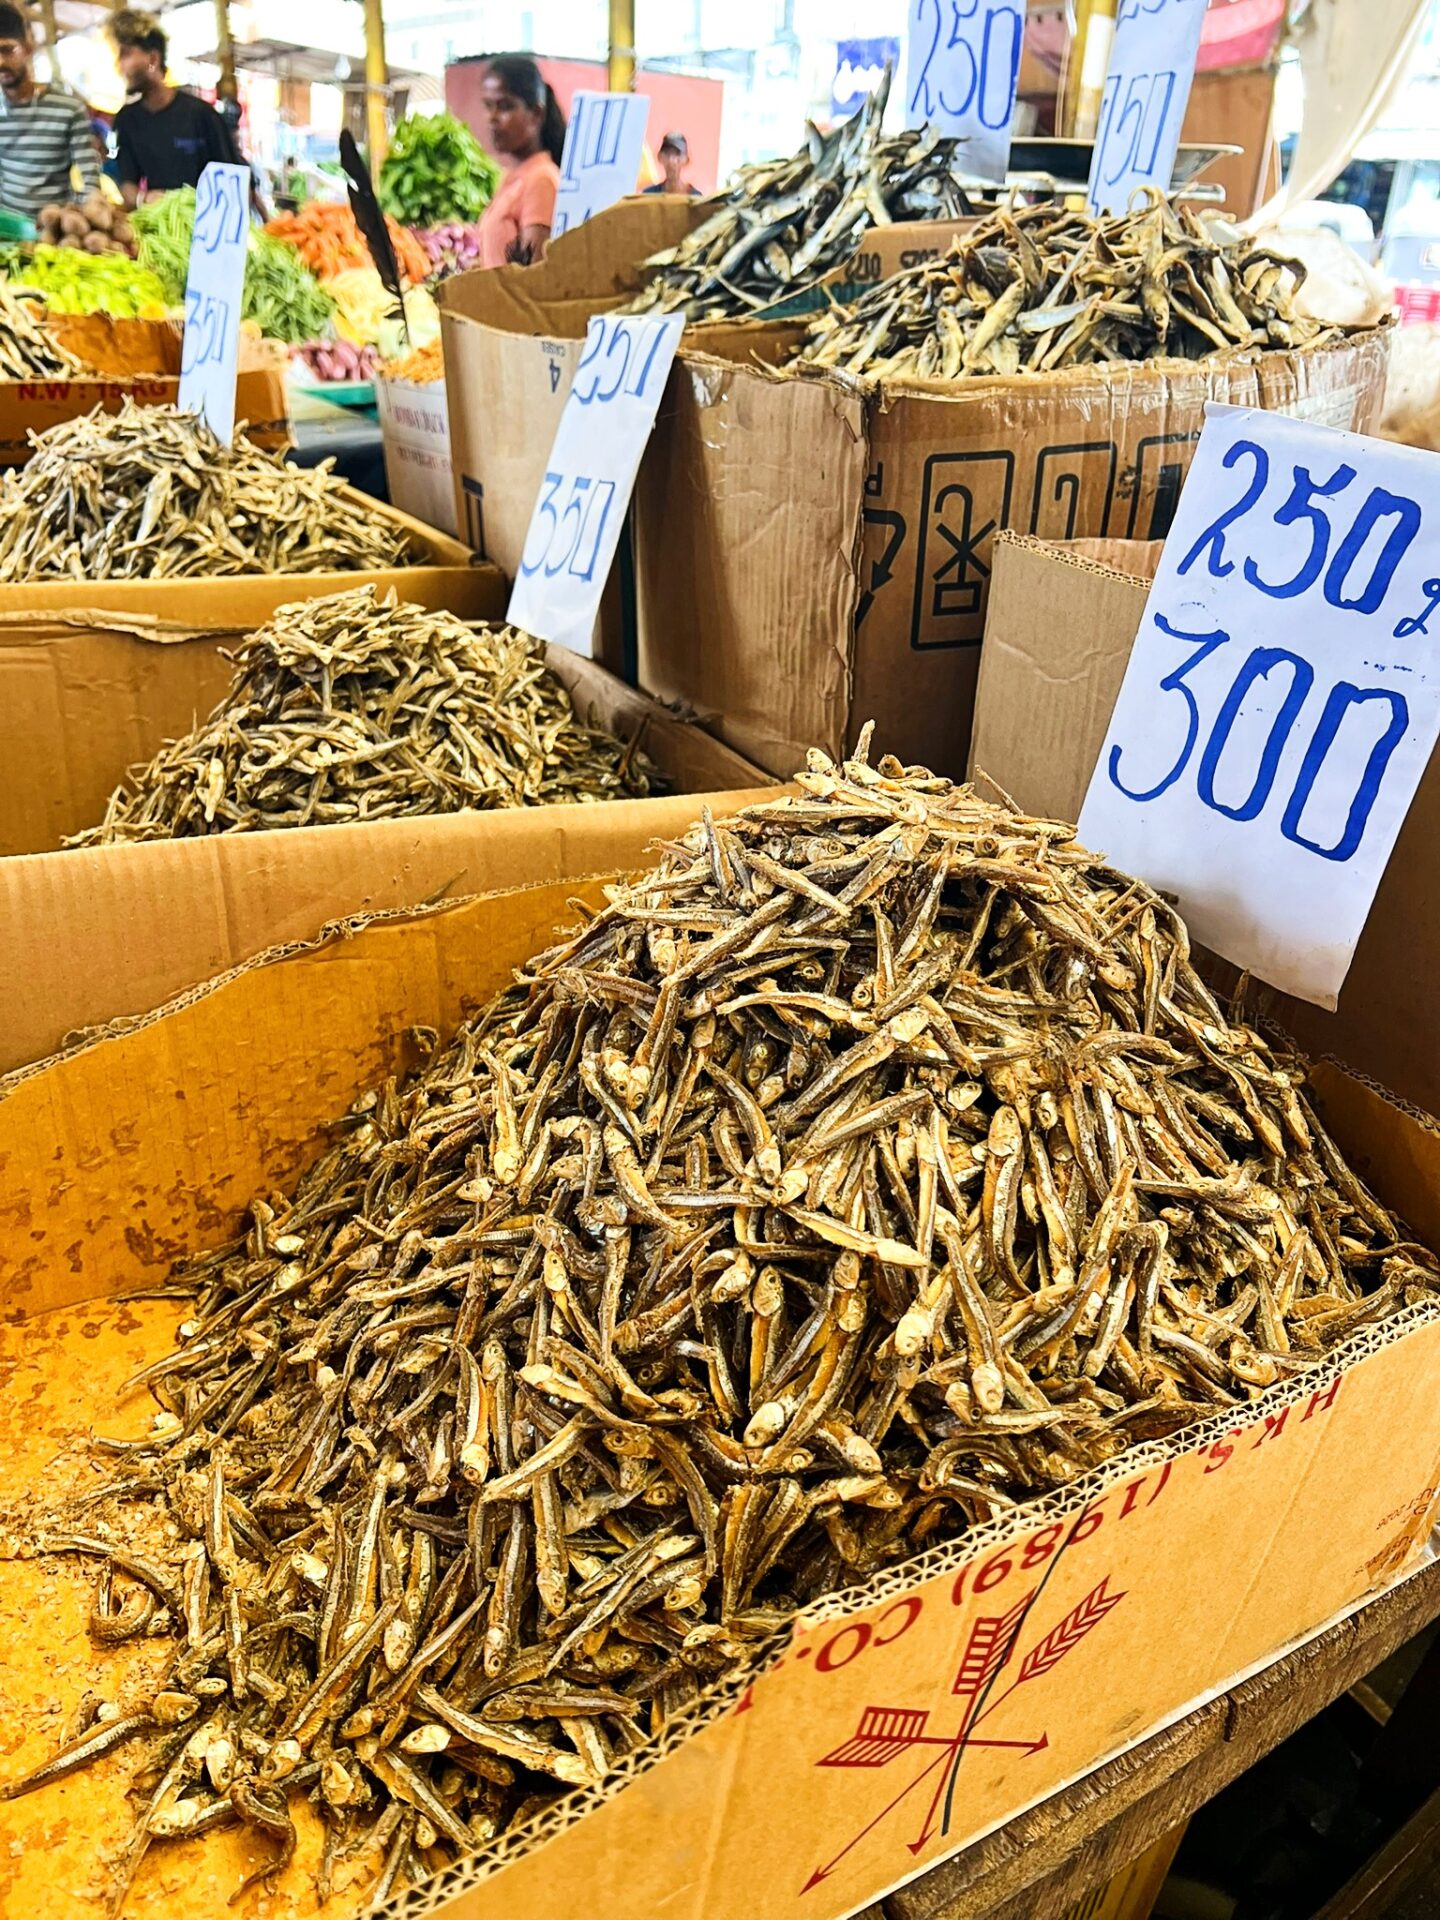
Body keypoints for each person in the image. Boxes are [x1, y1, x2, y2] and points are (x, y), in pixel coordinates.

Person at [107, 9, 255, 208]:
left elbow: (236, 181)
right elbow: (127, 184)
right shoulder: (127, 120)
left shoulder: (201, 115)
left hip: (205, 228)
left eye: (126, 55)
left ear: (152, 60)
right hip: (159, 230)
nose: (119, 66)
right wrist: (144, 199)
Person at [0, 4, 99, 220]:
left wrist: (79, 222)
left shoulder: (69, 109)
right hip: (7, 229)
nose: (1, 62)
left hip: (53, 230)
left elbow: (89, 179)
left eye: (8, 50)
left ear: (28, 48)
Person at [476, 54, 565, 269]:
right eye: (488, 105)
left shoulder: (541, 180)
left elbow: (533, 279)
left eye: (505, 106)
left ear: (535, 114)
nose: (492, 117)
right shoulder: (513, 176)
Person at [643, 132, 698, 196]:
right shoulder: (649, 195)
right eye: (667, 153)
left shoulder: (695, 197)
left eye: (677, 154)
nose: (671, 160)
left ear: (686, 160)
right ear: (660, 157)